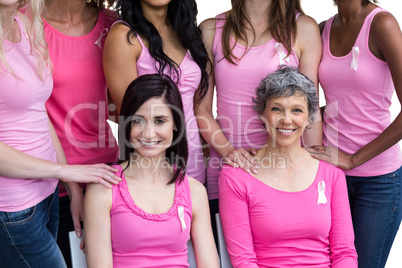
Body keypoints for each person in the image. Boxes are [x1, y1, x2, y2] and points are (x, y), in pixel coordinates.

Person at [0, 1, 121, 266]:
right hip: (25, 199)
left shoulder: (22, 26)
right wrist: (68, 176)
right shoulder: (28, 20)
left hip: (71, 186)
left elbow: (38, 112)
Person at [195, 0, 322, 241]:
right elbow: (201, 108)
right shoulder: (211, 30)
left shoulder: (303, 28)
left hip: (286, 175)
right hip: (227, 170)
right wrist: (230, 153)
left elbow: (310, 112)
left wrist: (315, 171)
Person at [219, 66, 357, 267]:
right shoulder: (235, 177)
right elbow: (244, 261)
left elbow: (345, 253)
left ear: (309, 117)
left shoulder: (332, 174)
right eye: (276, 108)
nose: (286, 119)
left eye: (297, 110)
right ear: (262, 113)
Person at [84, 74, 219, 268]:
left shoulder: (195, 191)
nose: (148, 133)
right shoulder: (103, 188)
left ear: (175, 125)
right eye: (138, 120)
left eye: (159, 121)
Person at [306, 0, 402, 267]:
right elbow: (341, 101)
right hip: (332, 176)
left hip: (378, 182)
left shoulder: (382, 24)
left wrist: (353, 158)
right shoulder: (322, 29)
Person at [42, 0, 118, 266]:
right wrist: (73, 188)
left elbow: (121, 104)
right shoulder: (24, 24)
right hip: (53, 185)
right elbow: (27, 113)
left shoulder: (112, 24)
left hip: (107, 175)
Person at [103, 0, 211, 184]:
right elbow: (132, 117)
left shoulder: (188, 32)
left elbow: (197, 109)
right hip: (149, 171)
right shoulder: (123, 36)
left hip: (194, 165)